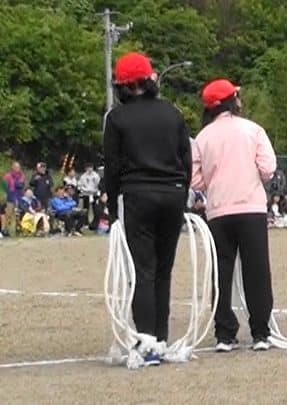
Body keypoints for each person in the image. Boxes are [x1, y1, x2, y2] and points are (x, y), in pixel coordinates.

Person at [103, 52, 192, 365]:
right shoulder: (172, 113)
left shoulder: (117, 118)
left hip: (137, 194)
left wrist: (113, 207)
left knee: (143, 271)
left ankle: (146, 341)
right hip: (173, 193)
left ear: (122, 85)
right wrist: (182, 194)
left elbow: (112, 167)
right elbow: (186, 158)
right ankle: (161, 338)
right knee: (163, 270)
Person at [192, 78, 277, 352]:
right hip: (251, 206)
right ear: (233, 101)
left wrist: (213, 183)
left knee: (221, 271)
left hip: (218, 209)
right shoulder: (252, 129)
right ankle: (260, 331)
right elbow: (268, 168)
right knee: (256, 270)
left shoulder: (202, 137)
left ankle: (224, 333)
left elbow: (195, 178)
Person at [2, 161, 25, 237]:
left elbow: (20, 185)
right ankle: (5, 230)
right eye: (16, 167)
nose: (17, 168)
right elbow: (4, 187)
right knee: (8, 215)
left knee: (17, 215)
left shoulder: (22, 176)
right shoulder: (7, 176)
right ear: (12, 167)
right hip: (10, 197)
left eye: (18, 167)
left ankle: (15, 231)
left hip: (19, 197)